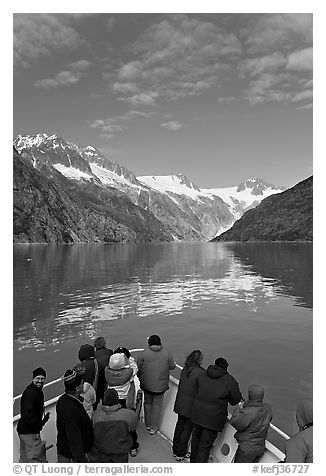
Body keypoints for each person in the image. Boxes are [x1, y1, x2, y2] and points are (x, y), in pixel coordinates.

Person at [190, 357, 242, 463]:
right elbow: (235, 400)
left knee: (195, 442)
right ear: (226, 369)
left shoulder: (203, 374)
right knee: (204, 447)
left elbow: (196, 389)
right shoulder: (230, 381)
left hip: (197, 414)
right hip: (213, 420)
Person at [137, 334, 176, 435]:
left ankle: (147, 424)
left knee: (147, 403)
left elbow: (139, 366)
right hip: (161, 386)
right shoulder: (167, 353)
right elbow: (172, 366)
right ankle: (154, 428)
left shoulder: (144, 353)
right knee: (157, 406)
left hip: (146, 385)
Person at [88, 388, 138, 463]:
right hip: (120, 454)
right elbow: (133, 428)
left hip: (101, 453)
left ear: (104, 400)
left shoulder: (95, 415)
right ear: (117, 399)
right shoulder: (129, 414)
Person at [172, 350, 205, 461]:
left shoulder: (185, 369)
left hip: (181, 402)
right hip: (191, 406)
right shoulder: (200, 373)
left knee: (179, 426)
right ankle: (180, 453)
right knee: (187, 429)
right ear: (199, 360)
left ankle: (175, 449)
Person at [56, 369, 93, 462]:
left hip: (67, 451)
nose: (83, 384)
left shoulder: (63, 399)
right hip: (72, 457)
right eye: (81, 383)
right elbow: (74, 439)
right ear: (77, 388)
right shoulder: (71, 411)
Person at [230, 384, 272, 463]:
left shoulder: (248, 412)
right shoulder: (268, 409)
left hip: (246, 450)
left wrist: (239, 408)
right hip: (259, 448)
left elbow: (234, 422)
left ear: (250, 395)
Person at [17, 367, 50, 463]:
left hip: (23, 431)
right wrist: (37, 426)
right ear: (33, 379)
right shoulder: (31, 393)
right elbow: (27, 414)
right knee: (37, 458)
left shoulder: (35, 390)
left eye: (42, 378)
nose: (40, 381)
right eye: (37, 378)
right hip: (30, 432)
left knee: (24, 459)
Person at [94, 337, 113, 405]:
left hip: (98, 381)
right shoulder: (109, 352)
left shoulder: (93, 355)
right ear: (104, 344)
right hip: (108, 380)